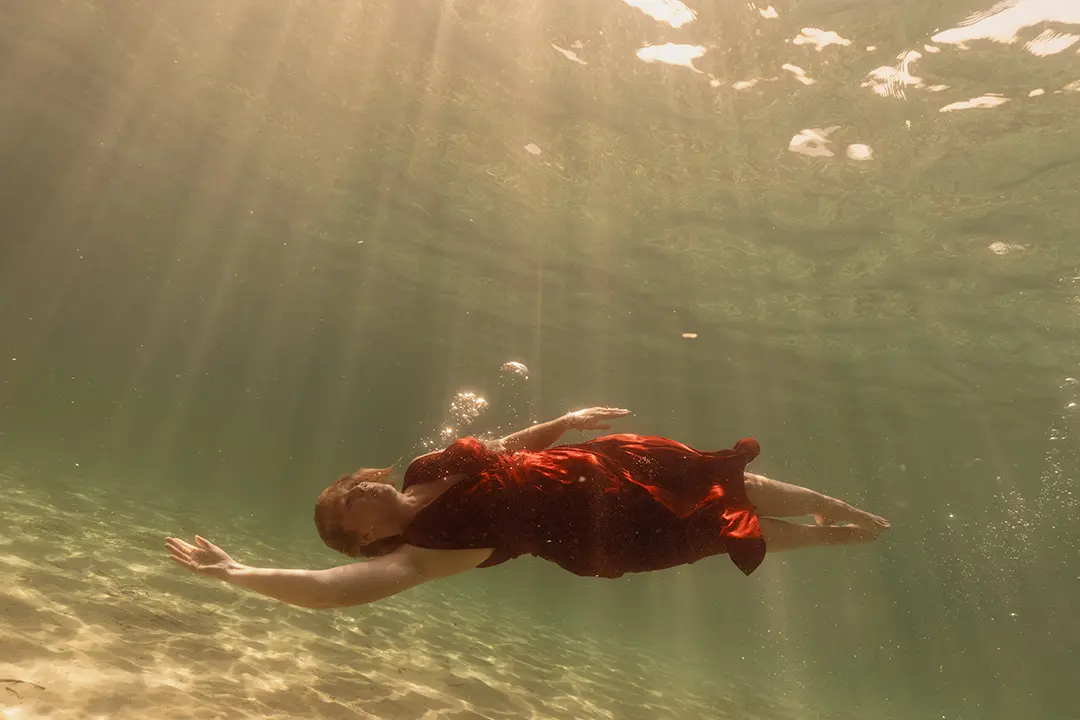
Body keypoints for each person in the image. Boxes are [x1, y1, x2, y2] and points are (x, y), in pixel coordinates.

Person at [166, 408, 889, 610]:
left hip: (602, 465)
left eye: (345, 487)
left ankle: (835, 508)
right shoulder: (435, 547)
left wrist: (568, 419)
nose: (351, 493)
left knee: (725, 478)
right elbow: (331, 594)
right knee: (718, 524)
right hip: (613, 530)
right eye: (342, 511)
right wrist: (237, 573)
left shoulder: (423, 467)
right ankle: (833, 540)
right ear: (364, 542)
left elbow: (501, 446)